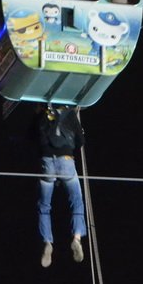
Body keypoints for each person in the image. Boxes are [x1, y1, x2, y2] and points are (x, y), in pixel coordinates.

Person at [36, 103, 87, 267]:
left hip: (47, 162)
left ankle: (47, 242)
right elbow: (81, 140)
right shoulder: (70, 114)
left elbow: (34, 137)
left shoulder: (43, 114)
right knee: (77, 201)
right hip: (66, 160)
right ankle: (76, 237)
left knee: (44, 206)